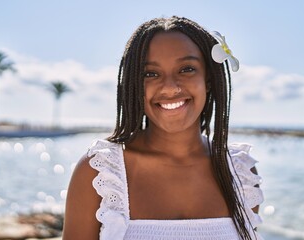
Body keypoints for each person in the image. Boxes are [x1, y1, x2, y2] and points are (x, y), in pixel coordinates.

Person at [63, 16, 264, 240]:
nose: (169, 87)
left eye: (186, 69)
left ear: (208, 78)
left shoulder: (240, 172)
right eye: (151, 74)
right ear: (135, 85)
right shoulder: (101, 173)